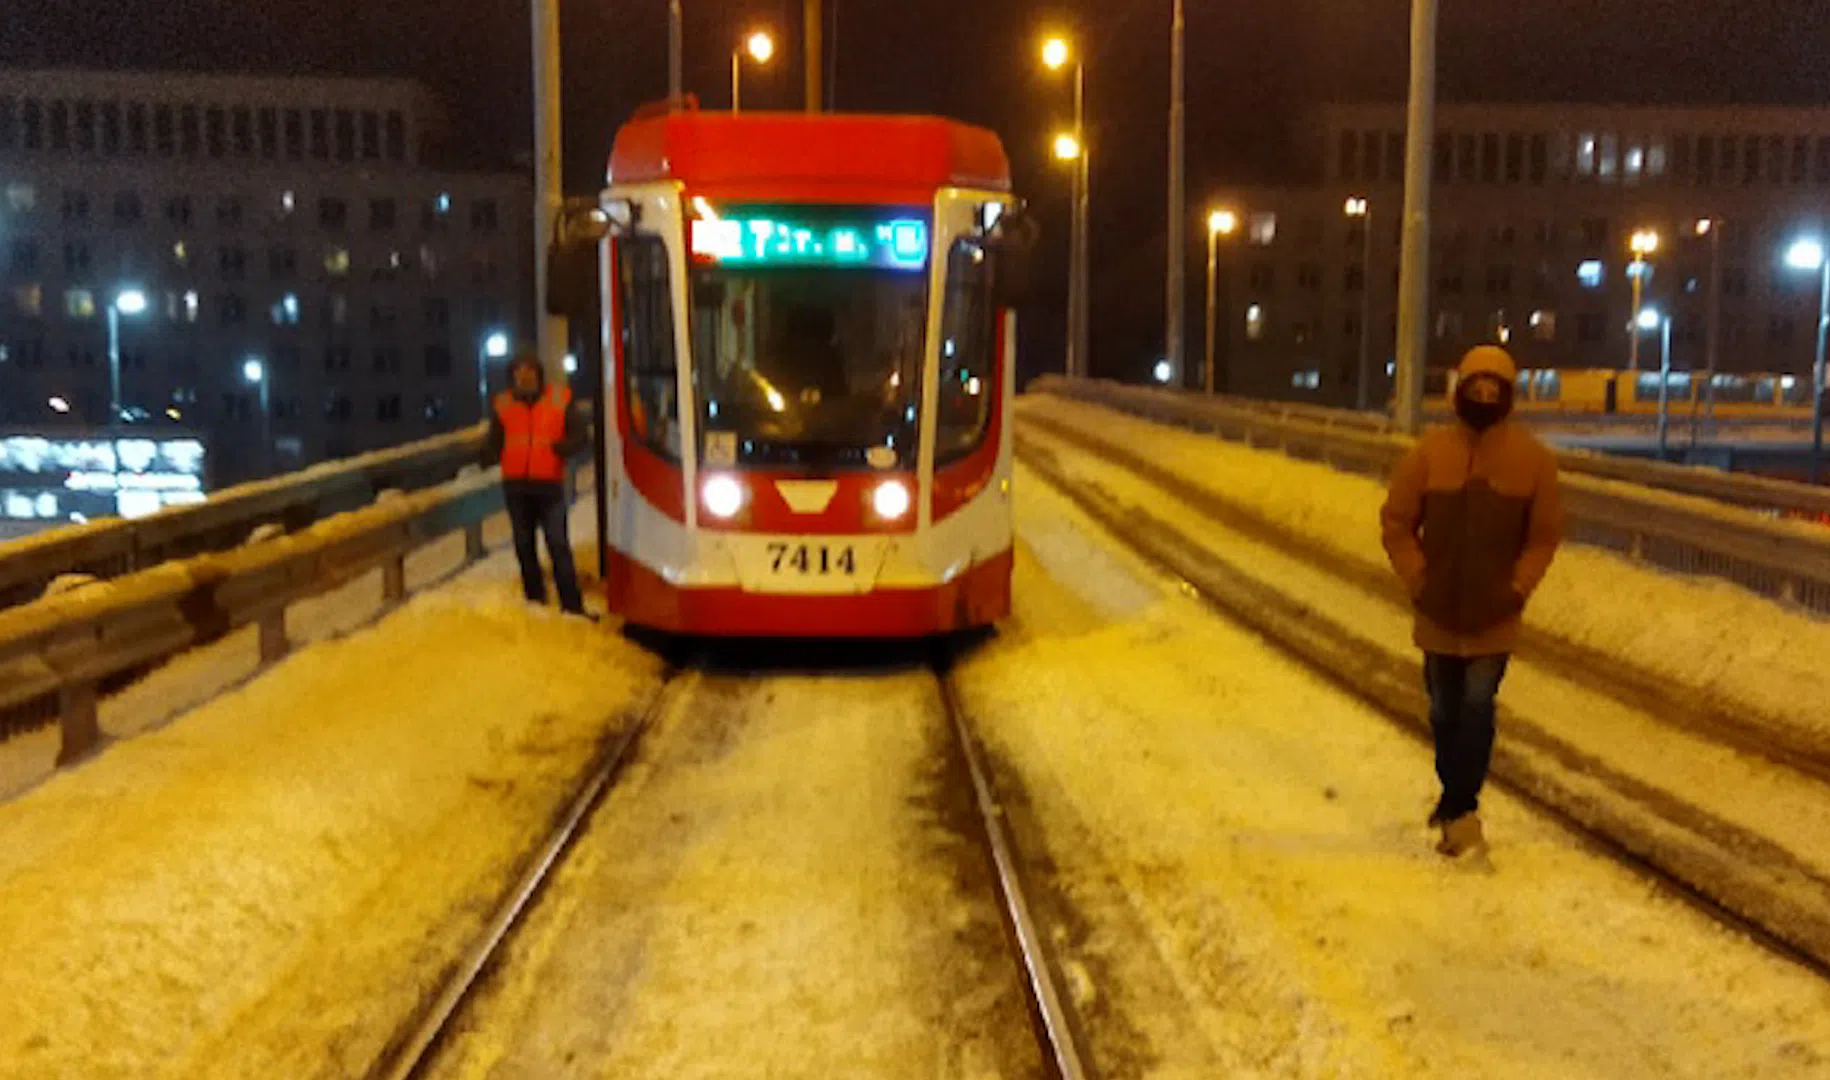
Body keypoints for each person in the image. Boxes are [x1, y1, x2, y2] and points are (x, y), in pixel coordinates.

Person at [1380, 345, 1562, 857]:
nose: (1483, 397)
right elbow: (1396, 523)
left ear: (1506, 396)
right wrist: (1419, 579)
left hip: (1494, 616)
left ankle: (1462, 809)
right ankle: (1454, 794)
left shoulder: (1532, 462)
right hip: (1437, 611)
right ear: (1461, 392)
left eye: (1493, 390)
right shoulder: (1429, 454)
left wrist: (1517, 588)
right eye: (1475, 388)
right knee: (1443, 711)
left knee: (1477, 709)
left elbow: (1544, 536)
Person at [484, 349, 589, 617]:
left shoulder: (559, 399)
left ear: (538, 373)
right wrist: (499, 457)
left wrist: (561, 449)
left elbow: (580, 436)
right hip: (516, 487)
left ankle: (572, 606)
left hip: (549, 485)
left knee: (557, 544)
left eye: (529, 369)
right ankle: (535, 600)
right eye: (519, 370)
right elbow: (493, 441)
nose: (524, 375)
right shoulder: (503, 404)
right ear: (512, 376)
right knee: (523, 545)